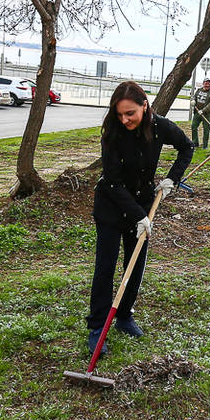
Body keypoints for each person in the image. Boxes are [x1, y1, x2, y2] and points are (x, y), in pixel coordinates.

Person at [88, 81, 193, 354]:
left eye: (130, 113)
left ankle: (124, 316)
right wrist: (138, 216)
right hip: (111, 207)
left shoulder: (159, 127)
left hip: (143, 203)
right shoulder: (111, 131)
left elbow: (187, 147)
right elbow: (111, 181)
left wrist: (172, 179)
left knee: (134, 266)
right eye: (120, 114)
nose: (125, 119)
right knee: (105, 267)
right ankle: (98, 326)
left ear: (144, 106)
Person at [190, 77, 210, 149]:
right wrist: (193, 101)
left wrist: (203, 110)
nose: (207, 85)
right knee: (193, 126)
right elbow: (194, 97)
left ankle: (205, 146)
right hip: (197, 112)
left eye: (208, 83)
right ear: (203, 83)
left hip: (206, 114)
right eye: (206, 83)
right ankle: (195, 143)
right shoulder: (199, 90)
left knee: (206, 130)